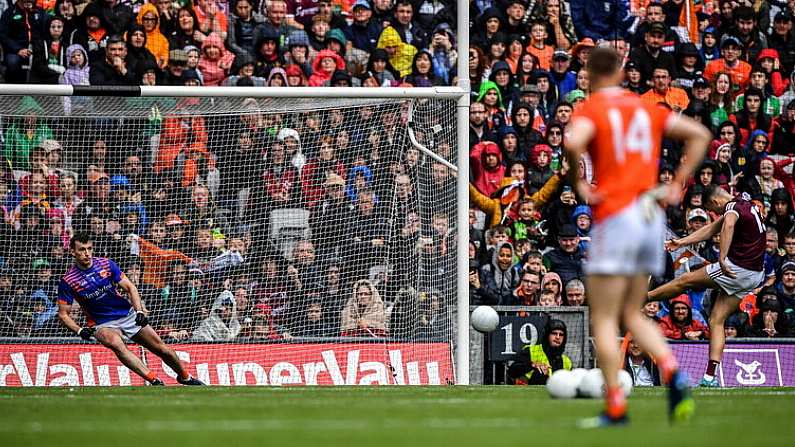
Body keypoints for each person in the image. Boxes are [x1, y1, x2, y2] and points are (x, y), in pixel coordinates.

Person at [565, 47, 711, 427]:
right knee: (632, 310)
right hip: (649, 217)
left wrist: (578, 179)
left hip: (615, 216)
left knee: (603, 315)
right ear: (622, 71)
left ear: (589, 73)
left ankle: (615, 407)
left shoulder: (593, 109)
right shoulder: (647, 107)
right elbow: (699, 134)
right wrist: (678, 182)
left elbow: (571, 140)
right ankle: (674, 373)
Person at [648, 185, 766, 387]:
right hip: (755, 275)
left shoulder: (731, 208)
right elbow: (712, 229)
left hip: (737, 268)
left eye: (712, 209)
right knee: (716, 320)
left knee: (685, 280)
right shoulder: (744, 203)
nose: (715, 213)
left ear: (715, 202)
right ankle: (710, 377)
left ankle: (645, 297)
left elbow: (727, 225)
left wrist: (721, 258)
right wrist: (681, 242)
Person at [56, 232, 204, 386]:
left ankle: (185, 377)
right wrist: (79, 330)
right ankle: (154, 380)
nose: (87, 253)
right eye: (81, 250)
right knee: (115, 343)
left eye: (89, 249)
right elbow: (63, 314)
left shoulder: (106, 264)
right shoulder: (68, 280)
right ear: (73, 251)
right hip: (101, 323)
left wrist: (139, 311)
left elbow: (130, 287)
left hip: (126, 314)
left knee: (162, 349)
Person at [507, 319, 571, 385]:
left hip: (557, 392)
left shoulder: (566, 361)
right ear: (547, 335)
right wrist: (532, 365)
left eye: (561, 335)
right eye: (554, 333)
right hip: (530, 392)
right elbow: (512, 371)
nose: (558, 337)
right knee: (541, 374)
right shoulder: (531, 351)